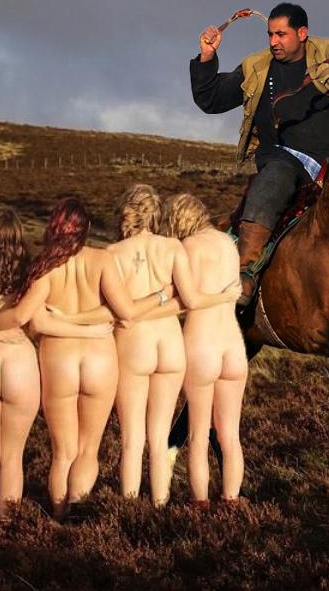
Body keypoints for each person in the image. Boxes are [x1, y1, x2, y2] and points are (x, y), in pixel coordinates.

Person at [190, 2, 329, 335]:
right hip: (284, 157)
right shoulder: (256, 67)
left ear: (302, 33)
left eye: (281, 34)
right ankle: (246, 273)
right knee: (272, 180)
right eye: (270, 34)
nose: (274, 42)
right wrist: (207, 57)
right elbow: (211, 100)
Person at [0, 197, 177, 518]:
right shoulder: (102, 260)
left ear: (54, 226)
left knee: (63, 452)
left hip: (59, 359)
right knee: (87, 449)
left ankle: (58, 516)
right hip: (100, 359)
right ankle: (76, 513)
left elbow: (31, 321)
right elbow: (125, 312)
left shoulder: (44, 267)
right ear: (86, 229)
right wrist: (163, 294)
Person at [0, 207, 112, 520]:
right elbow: (31, 319)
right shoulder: (31, 270)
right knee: (12, 457)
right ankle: (11, 524)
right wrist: (89, 329)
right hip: (19, 360)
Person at [106, 184, 241, 505]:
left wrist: (134, 312)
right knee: (171, 437)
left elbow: (183, 300)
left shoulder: (115, 253)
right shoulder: (199, 246)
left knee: (139, 439)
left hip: (153, 345)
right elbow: (190, 296)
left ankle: (139, 508)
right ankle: (176, 503)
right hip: (197, 346)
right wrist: (224, 296)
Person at [163, 194, 247, 504]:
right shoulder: (228, 243)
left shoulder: (187, 248)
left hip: (201, 346)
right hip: (233, 346)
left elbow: (189, 300)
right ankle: (231, 501)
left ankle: (200, 505)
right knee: (230, 436)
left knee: (198, 436)